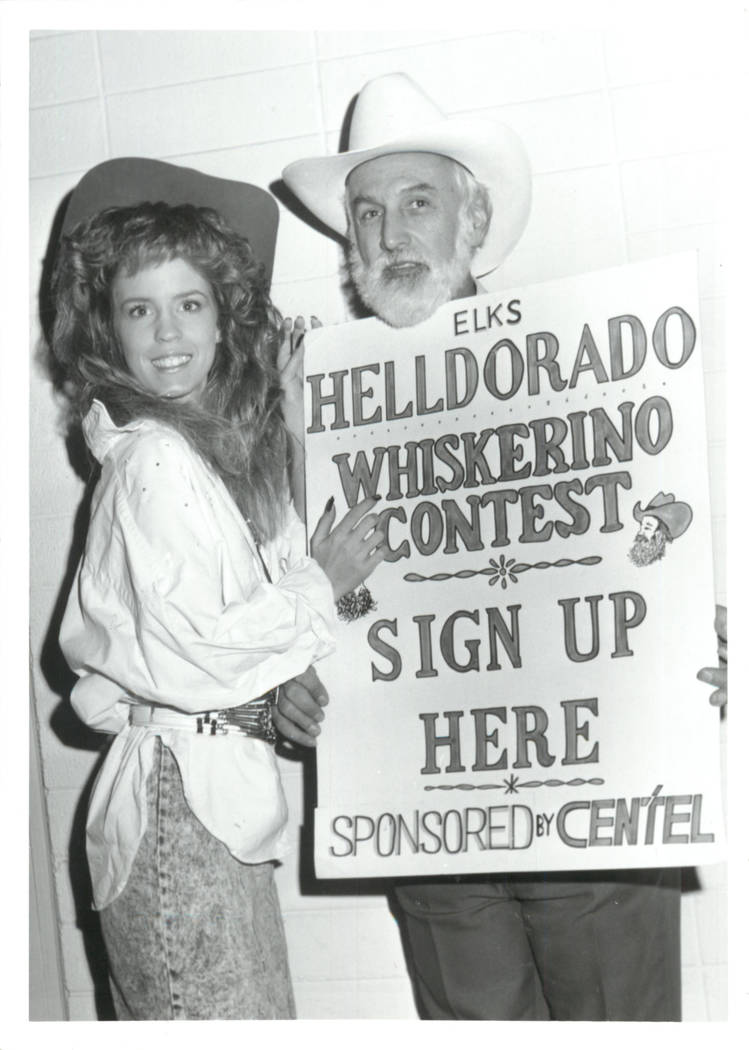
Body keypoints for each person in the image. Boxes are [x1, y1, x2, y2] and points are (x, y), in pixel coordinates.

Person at [276, 73, 728, 1020]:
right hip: (432, 833)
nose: (391, 235)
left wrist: (693, 636)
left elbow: (653, 540)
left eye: (417, 203)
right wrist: (291, 677)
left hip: (596, 822)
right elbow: (300, 595)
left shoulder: (586, 355)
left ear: (472, 220)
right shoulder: (314, 403)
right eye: (367, 213)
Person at [52, 158, 385, 1021]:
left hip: (199, 803)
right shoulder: (155, 459)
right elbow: (204, 643)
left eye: (189, 304)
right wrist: (323, 584)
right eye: (139, 309)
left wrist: (297, 416)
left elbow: (244, 596)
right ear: (107, 330)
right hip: (182, 813)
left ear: (222, 317)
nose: (166, 332)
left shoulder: (189, 455)